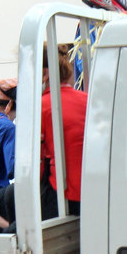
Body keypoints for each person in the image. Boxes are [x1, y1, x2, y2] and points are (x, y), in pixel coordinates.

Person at [40, 43, 86, 216]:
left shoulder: (42, 106)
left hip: (64, 192)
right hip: (95, 189)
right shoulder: (88, 100)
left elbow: (37, 163)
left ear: (44, 74)